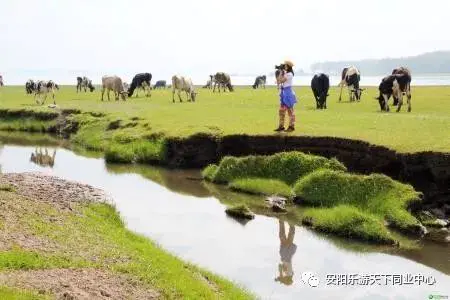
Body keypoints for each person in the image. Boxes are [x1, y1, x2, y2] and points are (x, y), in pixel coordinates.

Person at [274, 61, 297, 132]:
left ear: (288, 66)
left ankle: (291, 126)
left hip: (288, 93)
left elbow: (280, 81)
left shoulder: (289, 74)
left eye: (285, 65)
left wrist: (281, 72)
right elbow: (278, 81)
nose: (284, 67)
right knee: (281, 111)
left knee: (290, 111)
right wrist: (281, 72)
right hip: (284, 93)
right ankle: (281, 126)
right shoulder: (286, 73)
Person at [275, 219, 297, 285]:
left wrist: (280, 278)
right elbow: (280, 266)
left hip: (285, 254)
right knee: (285, 236)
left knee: (283, 236)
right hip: (286, 255)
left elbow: (281, 266)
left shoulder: (290, 274)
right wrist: (280, 276)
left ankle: (286, 221)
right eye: (285, 281)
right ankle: (289, 221)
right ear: (286, 279)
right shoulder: (288, 274)